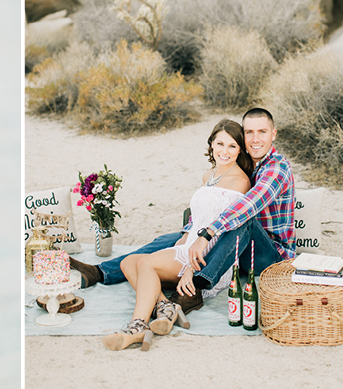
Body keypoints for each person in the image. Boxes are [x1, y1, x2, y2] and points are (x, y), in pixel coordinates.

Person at [70, 107, 296, 318]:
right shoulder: (248, 165)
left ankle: (195, 287)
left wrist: (205, 235)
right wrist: (190, 233)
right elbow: (214, 206)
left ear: (273, 134)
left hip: (270, 255)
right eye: (250, 132)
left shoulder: (276, 168)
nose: (256, 139)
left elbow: (248, 206)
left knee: (243, 220)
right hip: (239, 247)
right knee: (168, 240)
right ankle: (101, 273)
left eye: (262, 132)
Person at [102, 119, 252, 350]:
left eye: (232, 146)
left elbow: (222, 231)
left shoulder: (240, 181)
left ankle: (137, 326)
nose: (225, 151)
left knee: (147, 264)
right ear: (211, 144)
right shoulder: (209, 175)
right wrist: (181, 242)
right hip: (190, 246)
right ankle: (165, 306)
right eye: (220, 143)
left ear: (240, 149)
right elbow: (200, 219)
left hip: (207, 259)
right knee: (129, 262)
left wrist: (191, 269)